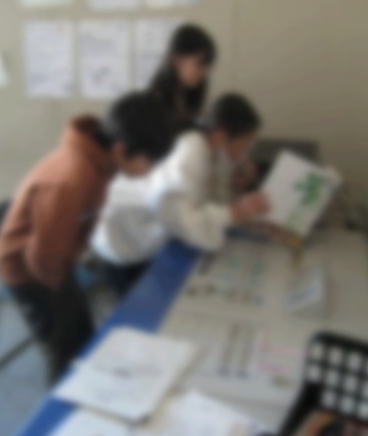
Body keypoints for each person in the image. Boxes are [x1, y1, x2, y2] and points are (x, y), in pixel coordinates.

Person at [0, 92, 174, 383]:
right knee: (66, 350)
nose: (149, 171)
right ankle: (63, 397)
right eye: (148, 162)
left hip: (54, 261)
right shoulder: (74, 177)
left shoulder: (100, 161)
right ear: (121, 150)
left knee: (83, 339)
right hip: (29, 270)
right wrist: (63, 301)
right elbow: (42, 258)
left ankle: (75, 375)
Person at [91, 94, 269, 296]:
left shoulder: (210, 150)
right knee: (142, 304)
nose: (247, 151)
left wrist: (237, 194)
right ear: (221, 136)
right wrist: (234, 213)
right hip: (125, 243)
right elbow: (182, 220)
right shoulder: (190, 152)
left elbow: (204, 201)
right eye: (246, 143)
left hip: (141, 234)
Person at [150, 24, 217, 128]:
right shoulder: (153, 106)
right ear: (176, 60)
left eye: (207, 65)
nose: (206, 72)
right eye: (199, 63)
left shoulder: (188, 103)